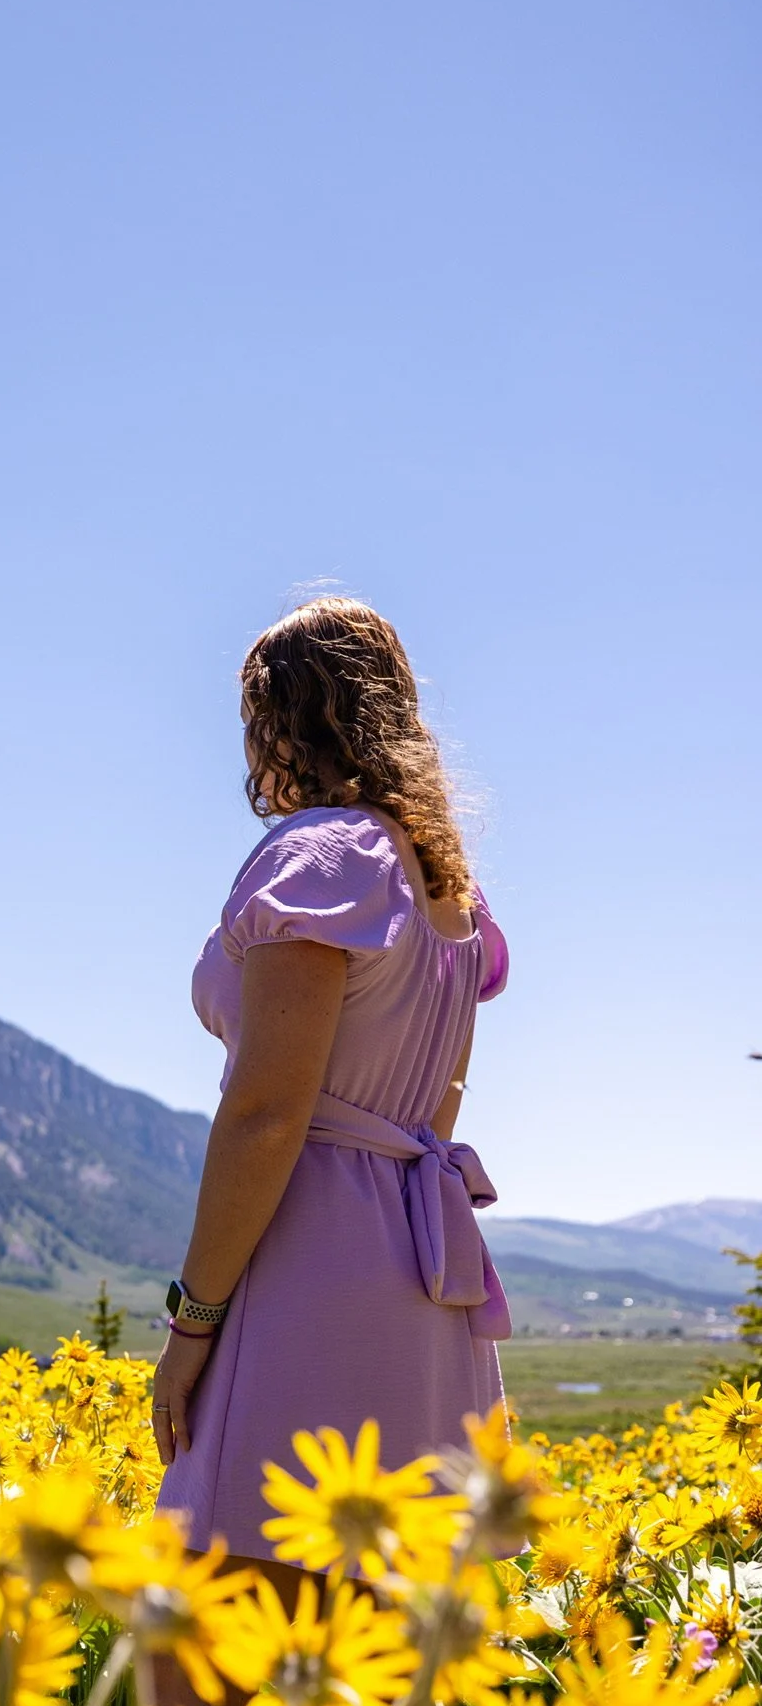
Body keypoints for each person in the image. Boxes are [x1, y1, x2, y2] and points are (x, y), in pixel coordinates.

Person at [152, 597, 510, 1645]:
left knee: (197, 1639)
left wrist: (192, 1322)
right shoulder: (449, 892)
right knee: (387, 1665)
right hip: (421, 1265)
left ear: (278, 720)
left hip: (308, 1265)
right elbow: (438, 1104)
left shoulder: (321, 855)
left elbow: (266, 1112)